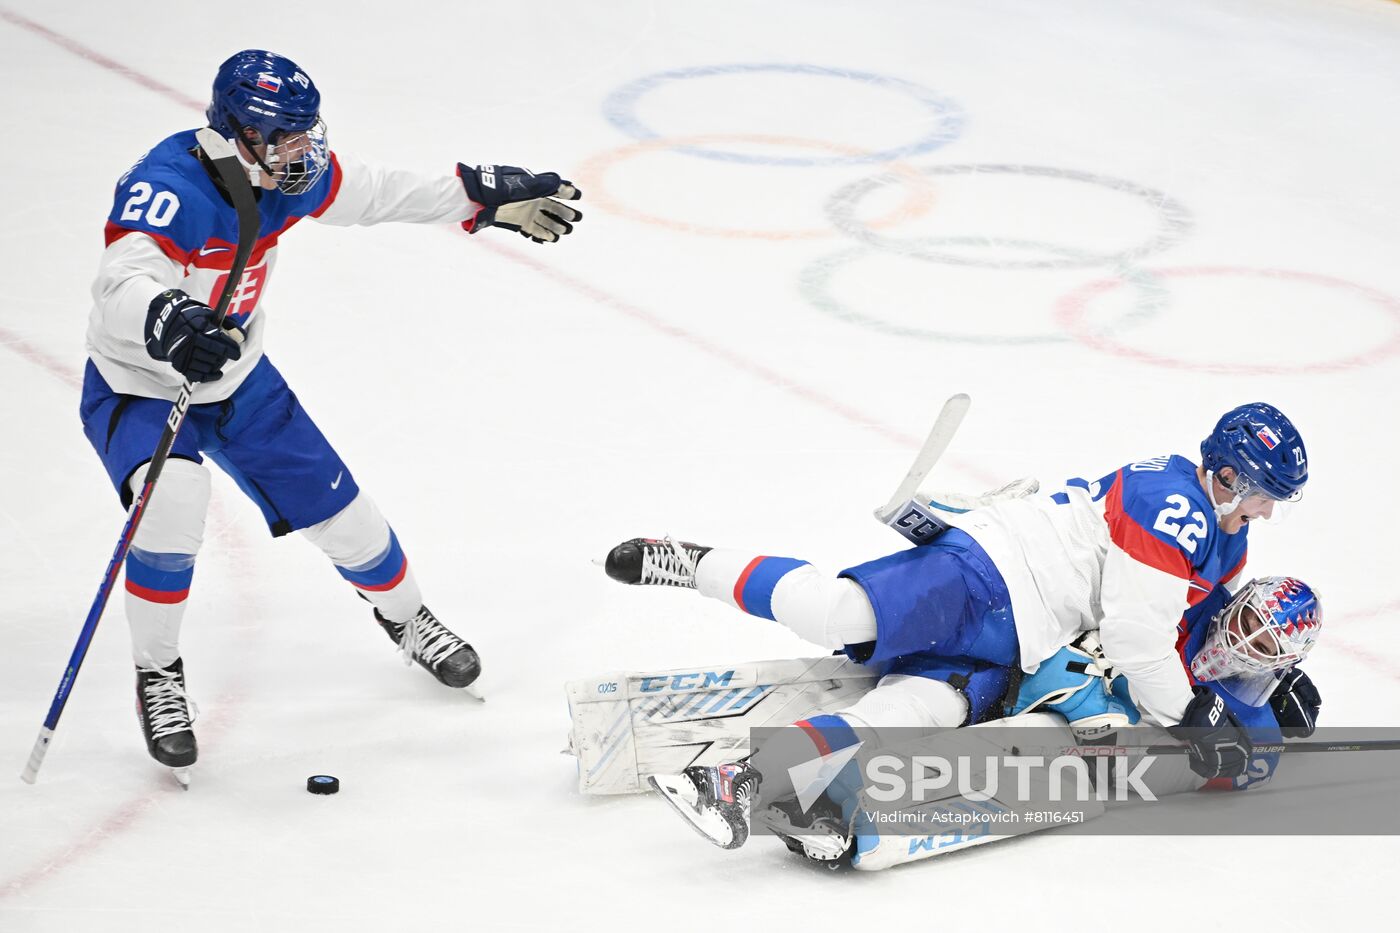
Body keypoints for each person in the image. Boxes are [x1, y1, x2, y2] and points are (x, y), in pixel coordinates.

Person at [82, 49, 582, 778]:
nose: (302, 149)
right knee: (173, 505)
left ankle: (407, 617)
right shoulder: (170, 187)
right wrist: (168, 317)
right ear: (238, 132)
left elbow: (376, 192)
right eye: (284, 135)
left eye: (304, 132)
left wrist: (476, 196)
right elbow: (119, 279)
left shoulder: (287, 178)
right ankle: (158, 674)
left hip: (241, 381)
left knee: (349, 520)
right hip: (141, 385)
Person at [602, 402, 1312, 850]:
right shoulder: (1177, 504)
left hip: (1022, 638)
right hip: (995, 571)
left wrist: (1255, 684)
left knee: (907, 711)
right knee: (835, 613)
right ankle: (688, 561)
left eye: (1274, 497)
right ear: (1221, 471)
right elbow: (1135, 636)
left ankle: (739, 781)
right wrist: (1195, 715)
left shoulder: (1227, 539)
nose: (1264, 509)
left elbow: (1184, 628)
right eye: (1256, 491)